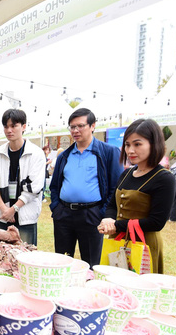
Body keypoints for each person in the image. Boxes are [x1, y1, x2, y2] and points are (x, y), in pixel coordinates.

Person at [98, 119, 176, 274]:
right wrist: (108, 219)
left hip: (144, 244)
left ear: (153, 144)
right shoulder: (126, 173)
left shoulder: (164, 178)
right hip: (118, 240)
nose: (130, 150)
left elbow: (156, 222)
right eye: (127, 144)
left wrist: (117, 225)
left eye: (137, 144)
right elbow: (113, 204)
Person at [50, 108, 123, 266]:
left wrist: (102, 212)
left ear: (93, 126)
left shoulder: (109, 152)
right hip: (64, 214)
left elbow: (116, 187)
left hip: (92, 215)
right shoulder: (64, 155)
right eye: (72, 127)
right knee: (61, 261)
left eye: (80, 126)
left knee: (90, 262)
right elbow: (54, 186)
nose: (75, 130)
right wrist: (56, 208)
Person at [0, 109, 45, 245]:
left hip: (26, 215)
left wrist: (14, 209)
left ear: (23, 127)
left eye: (13, 126)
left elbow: (33, 188)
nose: (9, 130)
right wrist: (4, 209)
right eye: (6, 126)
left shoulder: (36, 153)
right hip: (2, 215)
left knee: (25, 255)